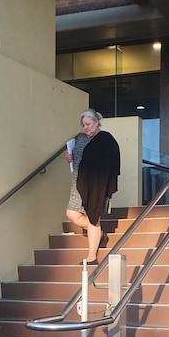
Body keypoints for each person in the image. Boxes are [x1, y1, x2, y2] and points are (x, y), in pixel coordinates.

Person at [65, 109, 121, 265]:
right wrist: (69, 157)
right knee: (72, 213)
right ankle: (100, 233)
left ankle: (91, 256)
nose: (86, 128)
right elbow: (77, 157)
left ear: (96, 122)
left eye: (88, 124)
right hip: (78, 183)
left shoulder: (106, 139)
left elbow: (112, 163)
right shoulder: (80, 139)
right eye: (83, 125)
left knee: (92, 218)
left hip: (97, 185)